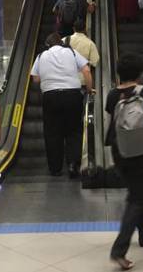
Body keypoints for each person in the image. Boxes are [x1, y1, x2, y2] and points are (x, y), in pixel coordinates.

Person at [105, 53, 143, 269]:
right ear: (140, 72)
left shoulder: (111, 95)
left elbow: (112, 118)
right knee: (136, 197)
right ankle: (119, 250)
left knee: (136, 191)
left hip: (120, 149)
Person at [31, 32, 93, 178]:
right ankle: (73, 165)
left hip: (51, 97)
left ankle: (55, 168)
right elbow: (86, 70)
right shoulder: (71, 52)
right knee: (74, 131)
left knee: (53, 133)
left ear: (48, 45)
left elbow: (35, 79)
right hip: (72, 95)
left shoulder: (41, 56)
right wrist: (89, 89)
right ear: (61, 42)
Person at [65, 19, 99, 87]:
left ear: (73, 29)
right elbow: (95, 62)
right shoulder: (90, 43)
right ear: (85, 29)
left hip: (65, 79)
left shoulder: (65, 40)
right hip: (81, 81)